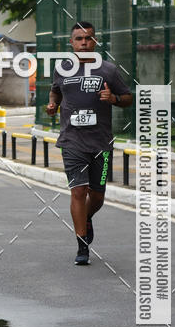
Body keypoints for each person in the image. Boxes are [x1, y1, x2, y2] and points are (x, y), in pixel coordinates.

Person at [47, 21, 132, 266]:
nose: (84, 43)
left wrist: (113, 98)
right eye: (79, 39)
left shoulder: (108, 70)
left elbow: (128, 98)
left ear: (95, 42)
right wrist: (53, 104)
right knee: (78, 191)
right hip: (72, 140)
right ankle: (82, 245)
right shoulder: (62, 69)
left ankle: (86, 218)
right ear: (71, 43)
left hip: (101, 142)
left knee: (97, 196)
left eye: (88, 39)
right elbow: (55, 91)